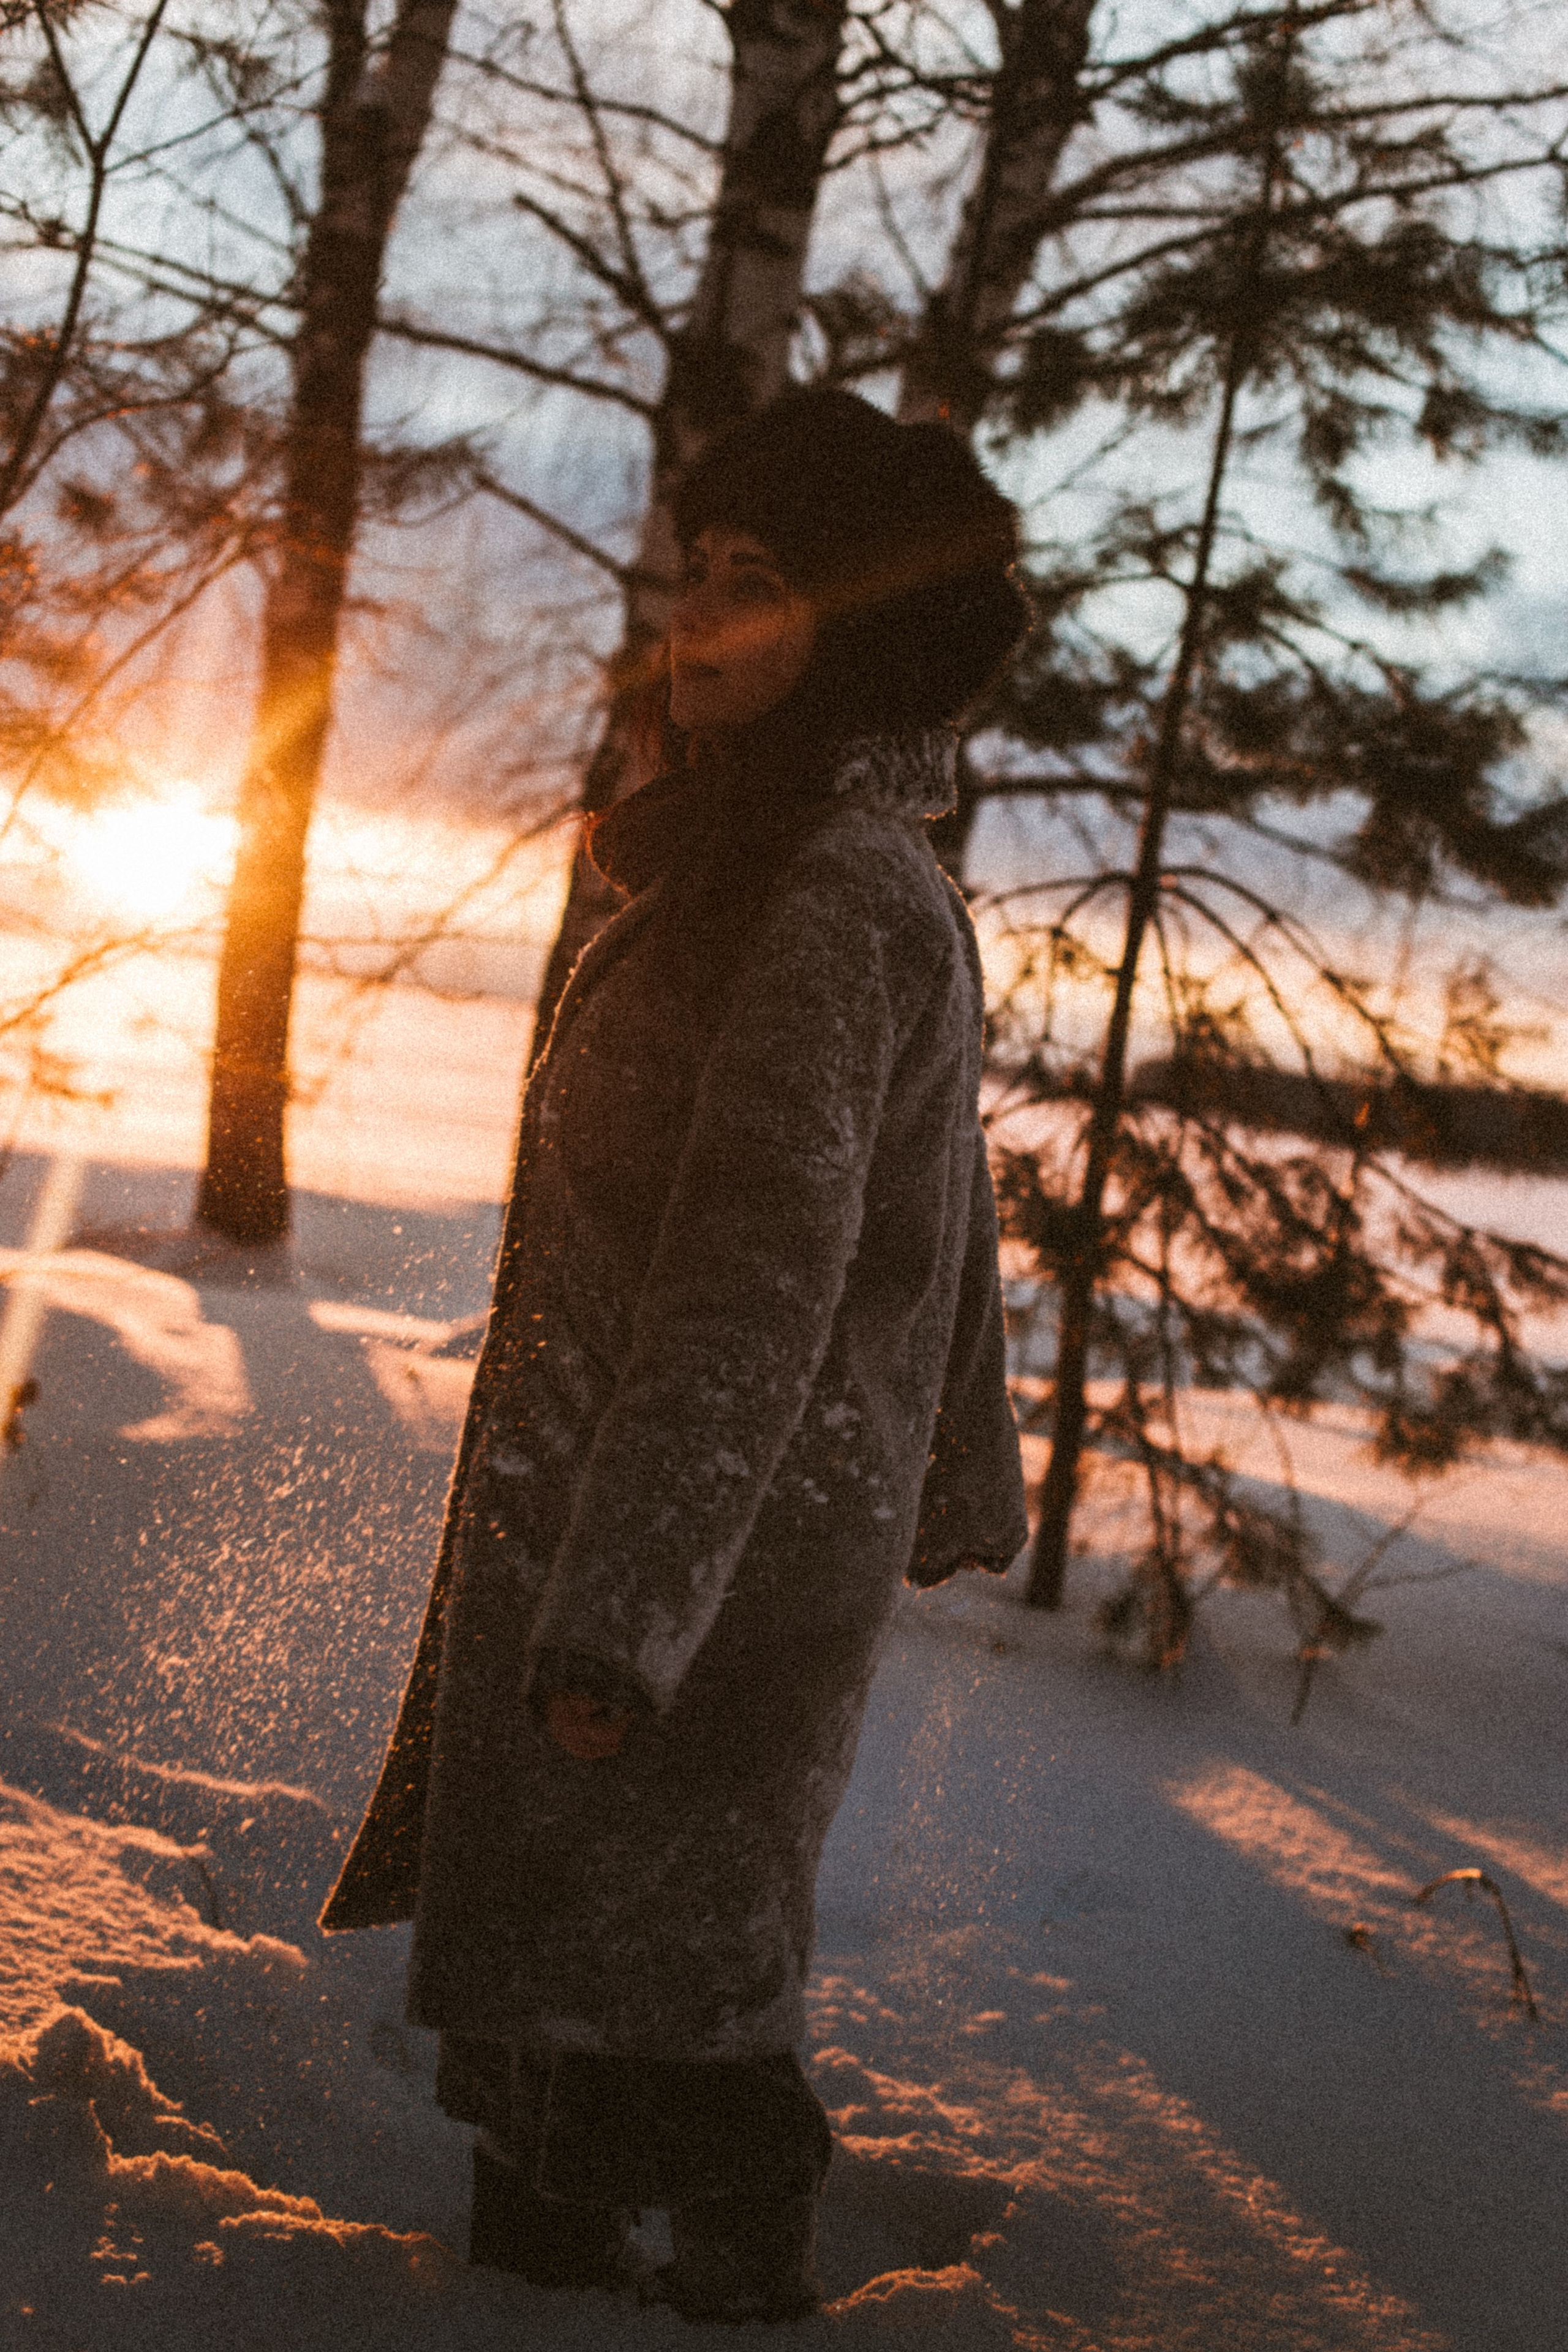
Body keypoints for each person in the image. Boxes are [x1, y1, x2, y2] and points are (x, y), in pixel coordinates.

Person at [320, 387, 1033, 2323]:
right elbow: (926, 1242)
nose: (698, 618)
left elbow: (767, 1282)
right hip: (671, 1539)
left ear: (863, 626)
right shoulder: (783, 861)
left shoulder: (827, 898)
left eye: (763, 584)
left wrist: (620, 1618)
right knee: (597, 2006)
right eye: (695, 572)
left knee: (650, 2028)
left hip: (691, 1570)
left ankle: (695, 2297)